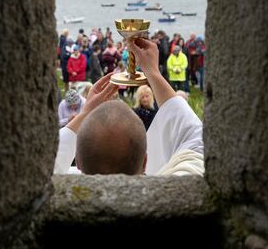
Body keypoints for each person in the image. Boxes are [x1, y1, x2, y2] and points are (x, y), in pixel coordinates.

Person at [54, 38, 203, 176]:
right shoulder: (176, 195)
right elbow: (198, 140)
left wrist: (85, 113)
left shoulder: (45, 193)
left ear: (77, 162)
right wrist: (152, 72)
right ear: (145, 162)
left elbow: (48, 158)